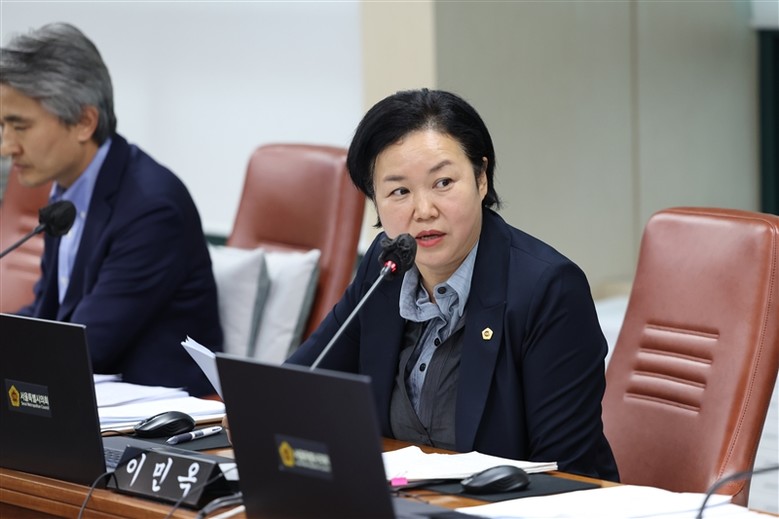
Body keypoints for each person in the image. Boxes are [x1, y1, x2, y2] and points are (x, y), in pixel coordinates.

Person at [287, 88, 619, 481]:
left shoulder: (549, 289)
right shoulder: (386, 268)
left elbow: (567, 476)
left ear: (481, 178)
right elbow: (297, 388)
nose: (424, 210)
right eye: (399, 191)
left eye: (443, 182)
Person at [0, 23, 222, 396]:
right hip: (91, 394)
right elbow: (47, 316)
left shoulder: (152, 207)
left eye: (19, 127)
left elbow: (87, 344)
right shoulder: (64, 191)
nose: (6, 146)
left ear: (84, 122)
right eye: (2, 126)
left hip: (162, 412)